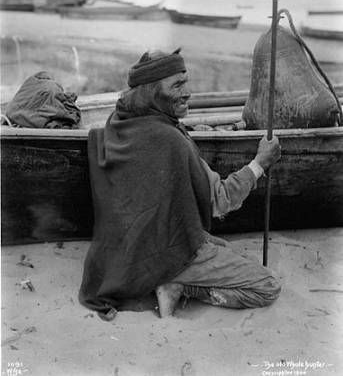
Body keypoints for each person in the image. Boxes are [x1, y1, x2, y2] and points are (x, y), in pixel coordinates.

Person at [79, 48, 281, 320]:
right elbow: (221, 201)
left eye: (186, 82)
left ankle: (173, 278)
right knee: (267, 286)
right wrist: (260, 163)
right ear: (152, 92)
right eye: (177, 85)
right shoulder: (171, 140)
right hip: (168, 252)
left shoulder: (118, 123)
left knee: (226, 249)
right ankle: (180, 284)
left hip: (124, 254)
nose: (188, 92)